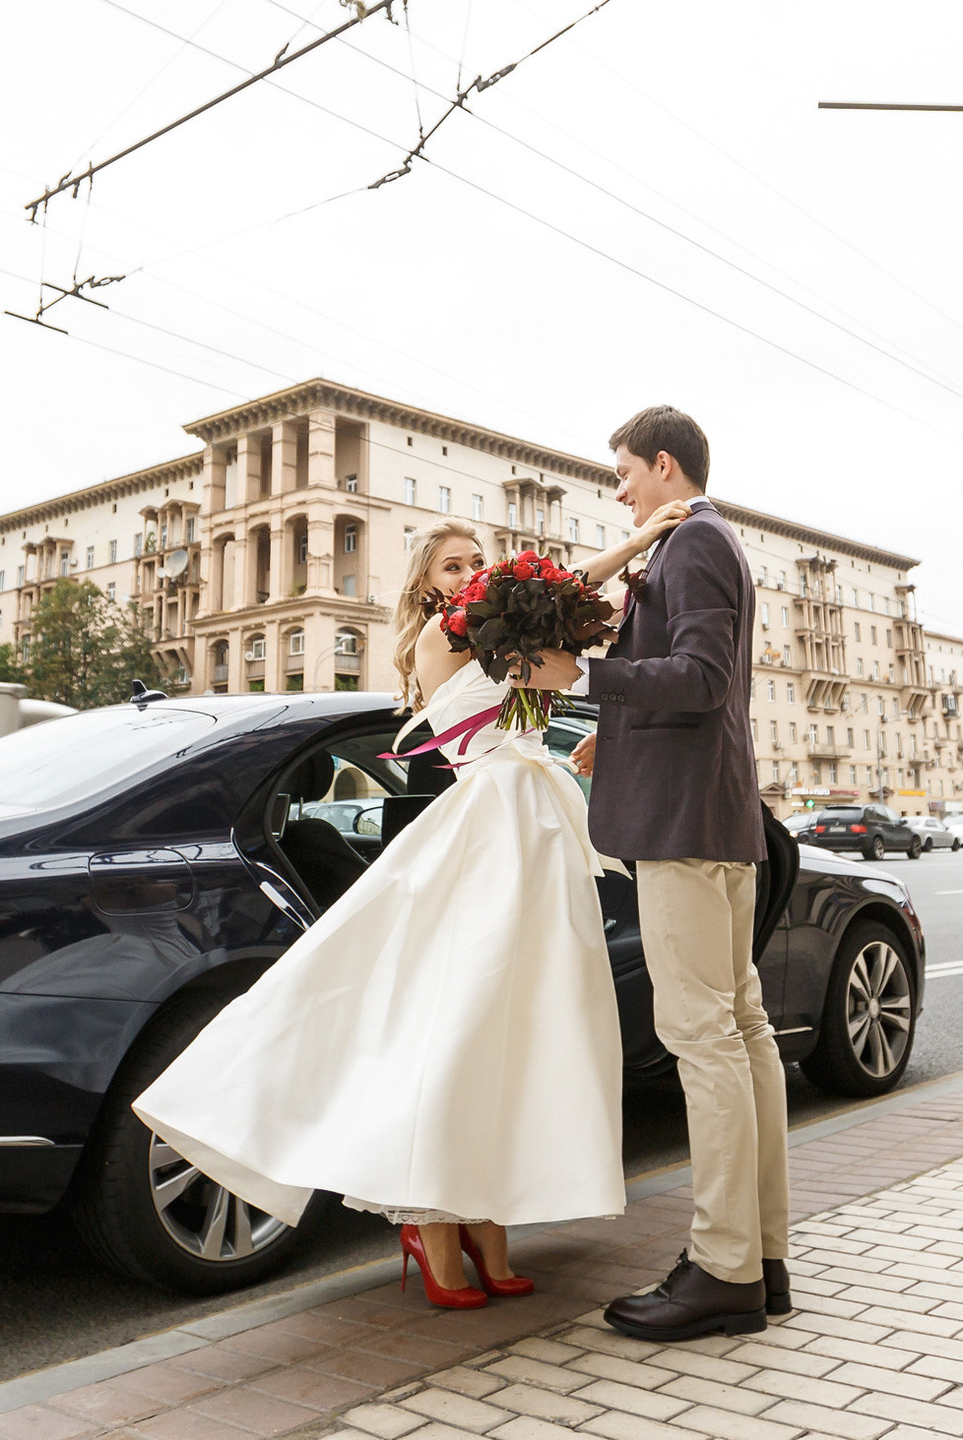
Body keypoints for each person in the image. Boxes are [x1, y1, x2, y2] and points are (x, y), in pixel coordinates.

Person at [131, 509, 685, 1307]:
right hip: (490, 827)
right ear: (427, 581)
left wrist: (626, 566)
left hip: (536, 827)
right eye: (453, 567)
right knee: (467, 1024)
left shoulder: (503, 631)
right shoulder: (446, 639)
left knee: (525, 1028)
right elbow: (527, 642)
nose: (468, 576)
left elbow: (556, 619)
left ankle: (488, 1218)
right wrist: (625, 550)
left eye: (476, 563)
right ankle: (432, 1225)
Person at [527, 404, 790, 1341]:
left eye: (627, 473)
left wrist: (585, 677)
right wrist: (618, 727)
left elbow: (701, 679)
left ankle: (723, 1269)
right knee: (742, 1028)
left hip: (686, 826)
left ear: (665, 464)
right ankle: (759, 1256)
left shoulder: (694, 544)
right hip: (711, 813)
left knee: (703, 1038)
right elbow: (689, 684)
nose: (621, 490)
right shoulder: (703, 541)